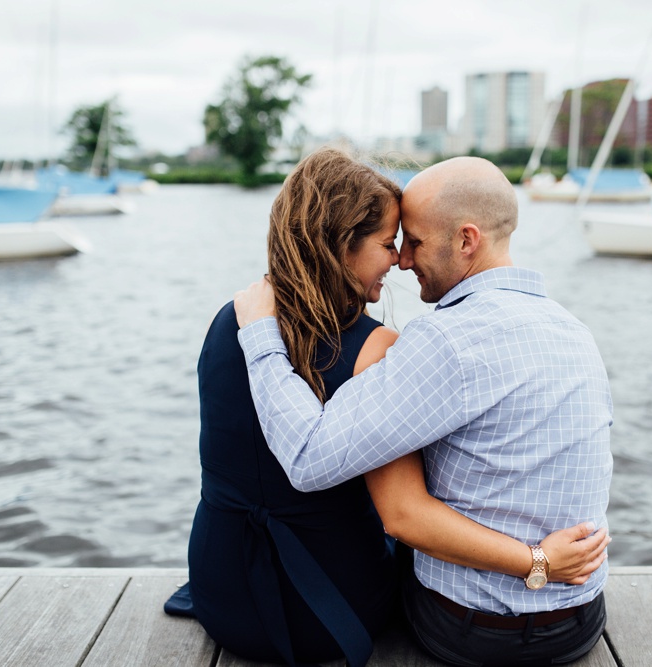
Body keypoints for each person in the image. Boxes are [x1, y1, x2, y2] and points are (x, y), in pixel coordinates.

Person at [169, 149, 610, 667]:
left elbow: (331, 476)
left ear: (466, 239)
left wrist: (264, 336)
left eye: (411, 242)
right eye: (390, 243)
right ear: (342, 245)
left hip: (223, 584)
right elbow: (390, 509)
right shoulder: (575, 332)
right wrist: (539, 561)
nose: (401, 259)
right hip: (571, 617)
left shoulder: (233, 318)